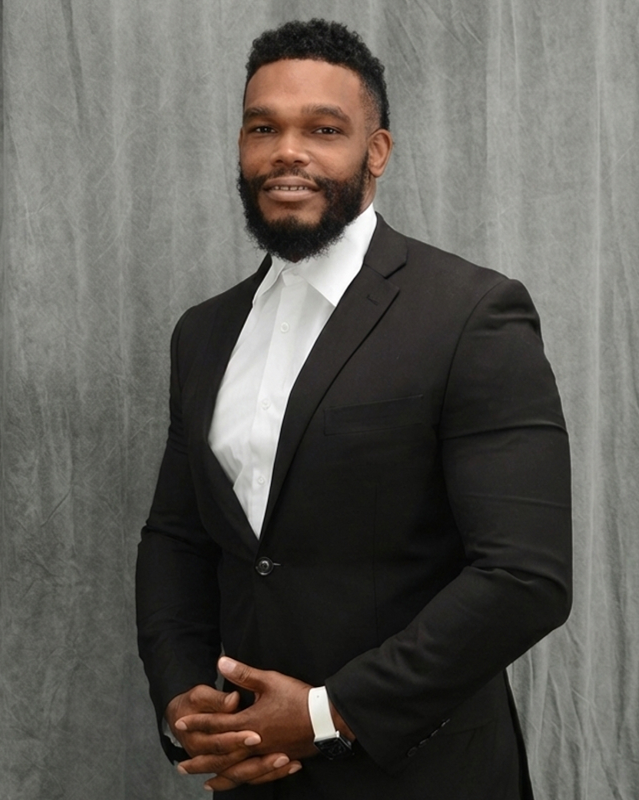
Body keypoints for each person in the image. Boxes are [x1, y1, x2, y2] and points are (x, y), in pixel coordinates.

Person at [136, 18, 571, 799]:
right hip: (255, 772)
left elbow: (524, 575)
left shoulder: (471, 314)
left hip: (427, 774)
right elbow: (178, 539)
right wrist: (184, 701)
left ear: (377, 152)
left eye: (323, 129)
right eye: (263, 127)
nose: (287, 152)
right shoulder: (202, 333)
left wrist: (324, 713)